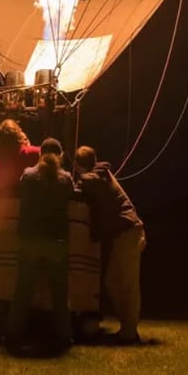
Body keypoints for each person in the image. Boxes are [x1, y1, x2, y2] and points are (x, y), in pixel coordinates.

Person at [6, 137, 76, 352]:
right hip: (55, 241)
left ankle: (13, 336)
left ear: (40, 153)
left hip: (30, 239)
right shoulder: (65, 178)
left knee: (23, 292)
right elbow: (73, 197)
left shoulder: (27, 176)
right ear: (60, 155)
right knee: (59, 294)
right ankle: (64, 337)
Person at [74, 145, 146, 345]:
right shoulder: (102, 174)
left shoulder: (94, 178)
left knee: (126, 285)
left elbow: (81, 188)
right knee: (114, 283)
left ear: (78, 166)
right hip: (127, 232)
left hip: (128, 231)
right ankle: (127, 330)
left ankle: (130, 333)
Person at [0, 118, 40, 190]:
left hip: (2, 196)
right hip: (25, 196)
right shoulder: (31, 152)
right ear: (17, 134)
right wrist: (27, 146)